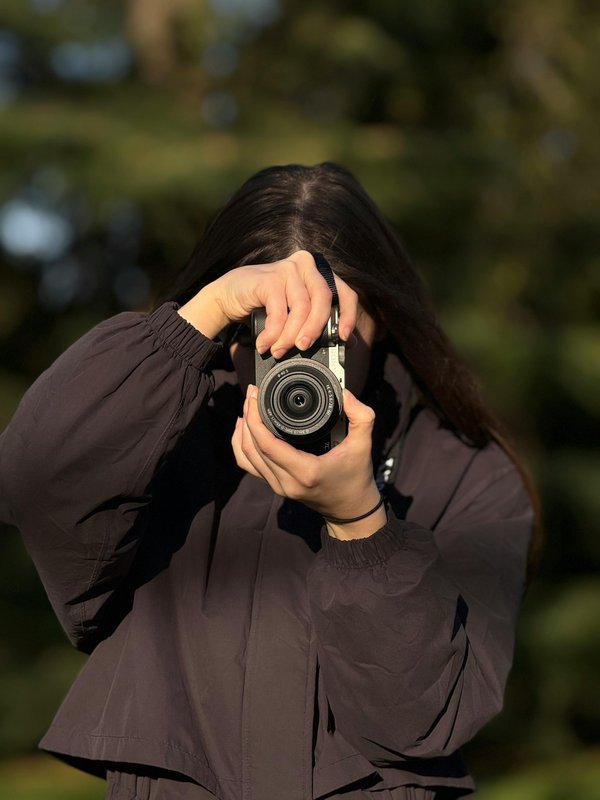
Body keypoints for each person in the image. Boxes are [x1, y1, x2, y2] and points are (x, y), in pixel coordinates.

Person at [0, 162, 540, 800]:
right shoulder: (168, 427)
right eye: (263, 321)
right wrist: (197, 319)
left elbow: (423, 720)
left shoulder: (464, 470)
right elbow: (33, 479)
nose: (292, 351)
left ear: (383, 314)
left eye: (325, 326)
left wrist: (361, 524)